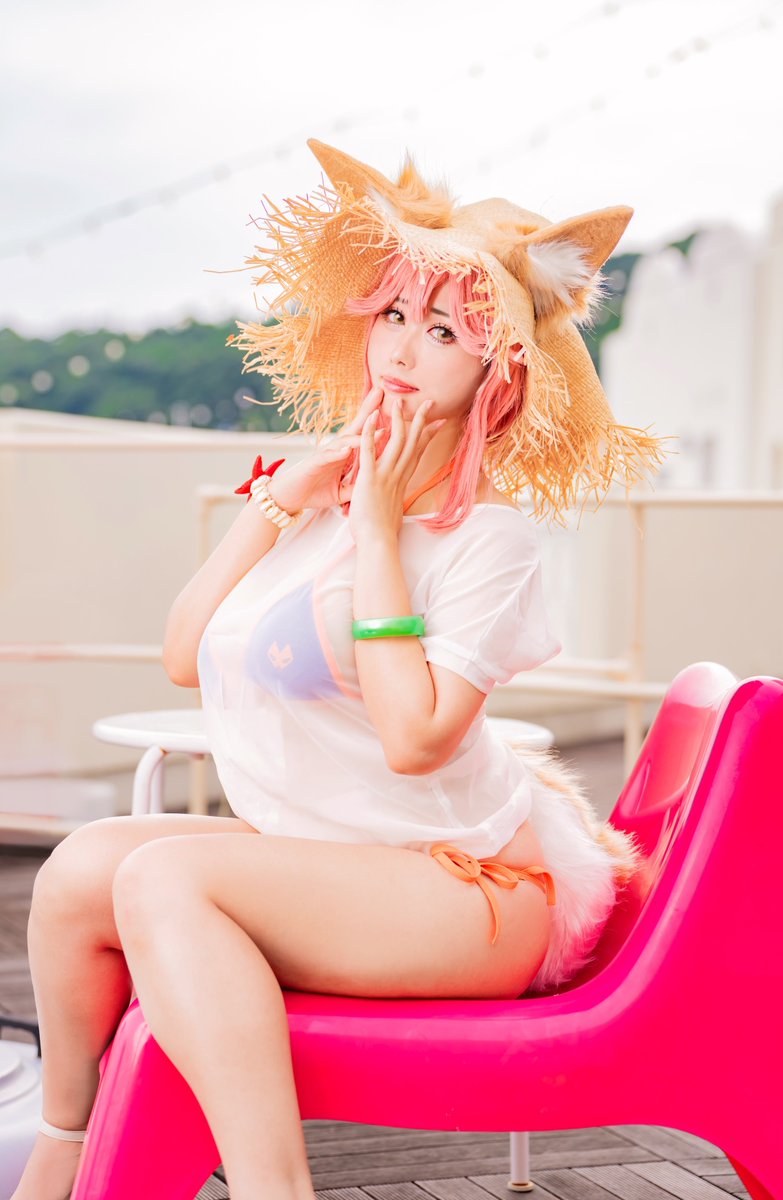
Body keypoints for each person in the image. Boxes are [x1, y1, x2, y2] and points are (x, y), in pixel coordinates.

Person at [13, 139, 670, 1200]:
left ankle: (276, 1189)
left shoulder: (489, 540)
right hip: (351, 858)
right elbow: (183, 655)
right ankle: (70, 1145)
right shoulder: (324, 497)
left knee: (164, 876)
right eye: (394, 314)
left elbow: (415, 741)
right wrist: (279, 504)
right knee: (81, 868)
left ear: (496, 372)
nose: (404, 347)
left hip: (474, 891)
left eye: (445, 331)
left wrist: (375, 534)